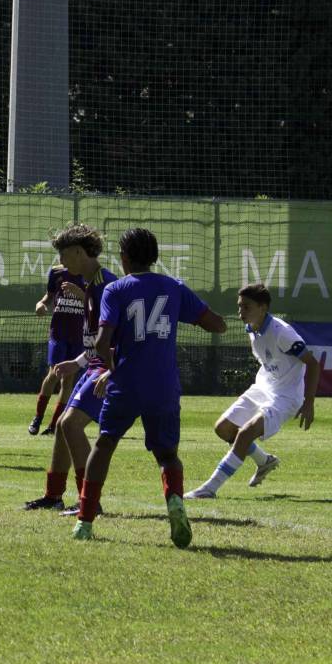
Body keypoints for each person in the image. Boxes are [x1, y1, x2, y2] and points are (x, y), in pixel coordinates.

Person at [72, 227, 228, 545]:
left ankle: (84, 522)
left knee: (104, 444)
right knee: (168, 455)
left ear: (124, 258)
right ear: (154, 256)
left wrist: (112, 369)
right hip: (163, 384)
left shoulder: (116, 289)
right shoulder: (173, 287)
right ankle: (175, 502)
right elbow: (217, 325)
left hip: (126, 383)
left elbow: (101, 342)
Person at [185, 283, 321, 499]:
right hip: (263, 387)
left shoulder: (282, 332)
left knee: (246, 433)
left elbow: (312, 364)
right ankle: (264, 461)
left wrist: (309, 403)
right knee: (223, 429)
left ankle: (209, 488)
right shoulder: (251, 329)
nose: (241, 312)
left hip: (285, 398)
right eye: (239, 306)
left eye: (246, 307)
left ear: (263, 307)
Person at [21, 223, 117, 513]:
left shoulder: (105, 285)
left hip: (107, 369)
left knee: (70, 425)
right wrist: (77, 363)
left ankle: (90, 503)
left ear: (78, 252)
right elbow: (95, 340)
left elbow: (121, 336)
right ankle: (53, 496)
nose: (61, 261)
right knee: (64, 426)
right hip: (93, 365)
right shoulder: (91, 284)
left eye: (63, 254)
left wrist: (111, 371)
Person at [27, 258, 88, 435]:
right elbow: (48, 296)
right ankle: (37, 418)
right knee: (53, 373)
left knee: (68, 380)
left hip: (79, 336)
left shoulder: (89, 274)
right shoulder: (56, 272)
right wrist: (40, 304)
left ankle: (53, 425)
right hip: (58, 332)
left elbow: (95, 303)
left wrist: (80, 293)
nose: (63, 257)